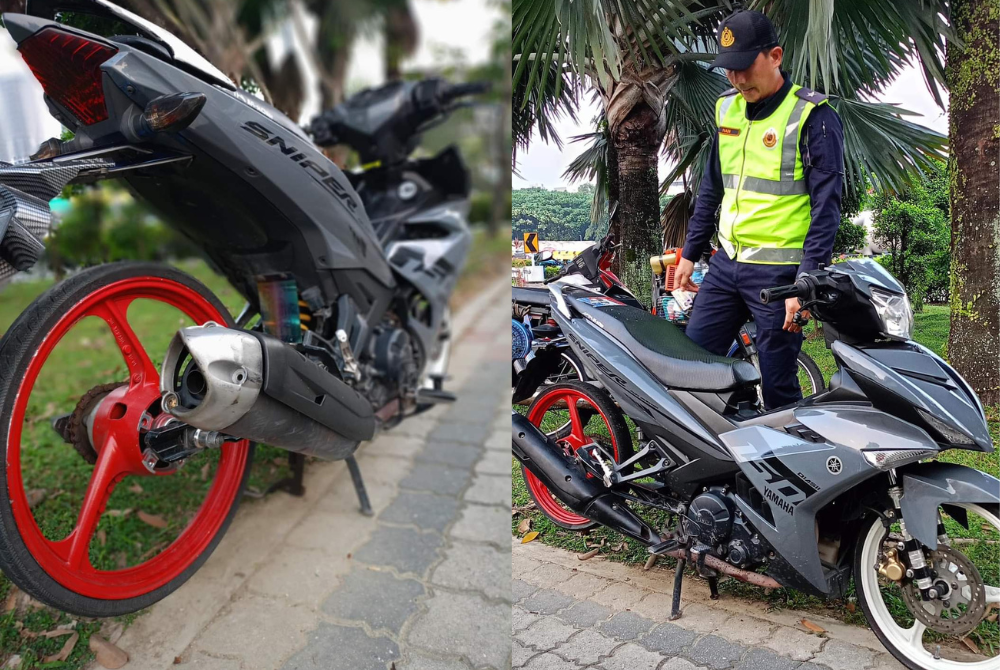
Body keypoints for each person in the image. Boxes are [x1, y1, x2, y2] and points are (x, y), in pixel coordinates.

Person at [675, 9, 844, 410]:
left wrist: (806, 282)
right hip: (726, 266)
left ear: (775, 56)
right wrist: (690, 252)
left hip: (780, 276)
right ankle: (727, 451)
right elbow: (712, 187)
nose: (736, 79)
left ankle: (790, 468)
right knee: (691, 365)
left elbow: (826, 209)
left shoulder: (813, 116)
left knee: (779, 384)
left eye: (745, 66)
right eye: (729, 69)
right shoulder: (725, 109)